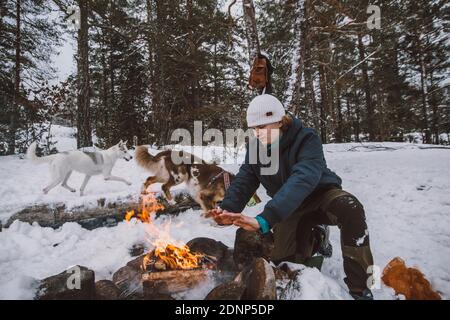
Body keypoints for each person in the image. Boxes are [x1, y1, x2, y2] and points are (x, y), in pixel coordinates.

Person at [207, 94, 375, 300]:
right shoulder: (255, 148)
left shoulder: (306, 138)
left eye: (261, 127)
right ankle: (317, 238)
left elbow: (303, 179)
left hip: (321, 195)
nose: (256, 133)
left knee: (350, 208)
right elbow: (245, 180)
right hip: (290, 208)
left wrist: (265, 219)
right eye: (253, 128)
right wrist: (228, 209)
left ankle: (364, 288)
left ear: (280, 120)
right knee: (284, 264)